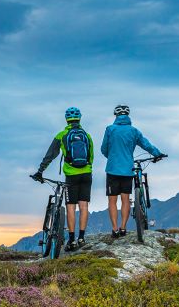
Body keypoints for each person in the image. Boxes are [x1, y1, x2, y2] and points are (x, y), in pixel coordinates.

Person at [32, 107, 94, 251]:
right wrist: (87, 168)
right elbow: (91, 156)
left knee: (71, 206)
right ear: (80, 119)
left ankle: (72, 240)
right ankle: (82, 238)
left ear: (67, 119)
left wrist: (40, 171)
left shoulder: (62, 135)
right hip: (86, 173)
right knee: (84, 206)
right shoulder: (87, 135)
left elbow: (50, 155)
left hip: (71, 175)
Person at [101, 105, 165, 238]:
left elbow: (103, 149)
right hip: (127, 170)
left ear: (116, 116)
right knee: (125, 199)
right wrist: (157, 154)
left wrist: (112, 157)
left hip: (112, 169)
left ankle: (114, 229)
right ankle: (123, 228)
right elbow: (146, 144)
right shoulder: (134, 131)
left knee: (112, 201)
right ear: (128, 116)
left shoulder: (110, 129)